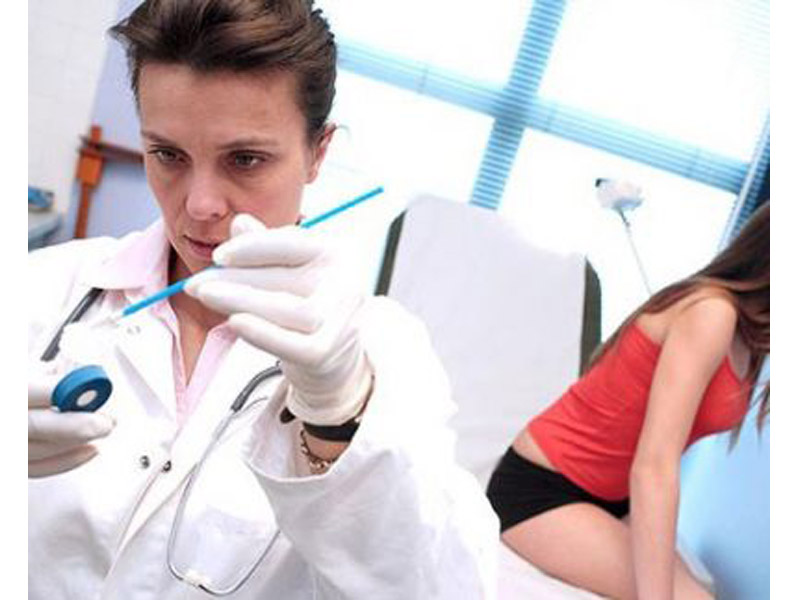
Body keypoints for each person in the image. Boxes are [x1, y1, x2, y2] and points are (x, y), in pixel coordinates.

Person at [27, 1, 498, 598]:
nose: (200, 204)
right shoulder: (44, 288)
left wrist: (339, 418)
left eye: (245, 160)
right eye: (168, 155)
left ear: (318, 153)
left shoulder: (386, 351)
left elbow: (443, 587)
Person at [487, 203, 769, 599]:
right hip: (540, 491)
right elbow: (654, 466)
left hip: (616, 501)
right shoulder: (711, 313)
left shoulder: (752, 341)